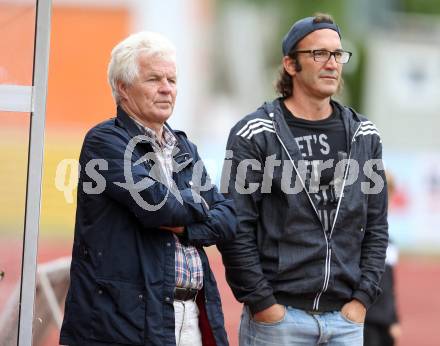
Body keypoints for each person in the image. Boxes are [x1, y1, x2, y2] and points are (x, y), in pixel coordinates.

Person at [219, 13, 388, 345]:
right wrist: (264, 304)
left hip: (345, 321)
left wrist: (362, 300)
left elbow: (377, 225)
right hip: (278, 321)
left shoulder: (364, 134)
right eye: (318, 53)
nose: (332, 63)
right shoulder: (254, 133)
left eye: (338, 54)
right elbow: (235, 227)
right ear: (290, 65)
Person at [60, 31, 236, 346]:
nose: (167, 89)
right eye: (154, 79)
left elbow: (228, 218)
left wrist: (186, 229)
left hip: (190, 315)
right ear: (123, 88)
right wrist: (200, 207)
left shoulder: (183, 147)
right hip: (125, 322)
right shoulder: (105, 141)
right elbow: (157, 206)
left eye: (172, 79)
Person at [364, 172, 401, 346]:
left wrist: (394, 319)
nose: (387, 202)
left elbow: (389, 284)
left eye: (389, 195)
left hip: (383, 322)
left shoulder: (390, 241)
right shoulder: (358, 236)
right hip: (363, 319)